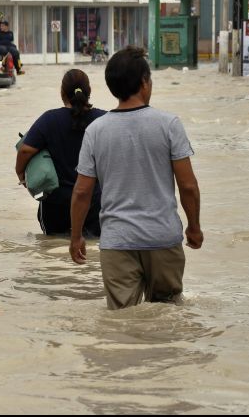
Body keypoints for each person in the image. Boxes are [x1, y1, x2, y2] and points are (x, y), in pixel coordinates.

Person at [69, 46, 203, 310]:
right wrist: (194, 227)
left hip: (117, 241)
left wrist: (76, 237)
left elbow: (82, 192)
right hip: (162, 238)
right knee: (167, 314)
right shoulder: (168, 124)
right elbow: (188, 185)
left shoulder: (96, 131)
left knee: (122, 320)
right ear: (144, 82)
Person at [16, 69, 105, 235]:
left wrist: (20, 174)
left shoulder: (49, 119)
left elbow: (25, 151)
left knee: (53, 250)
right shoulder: (103, 119)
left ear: (62, 92)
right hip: (94, 201)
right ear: (89, 91)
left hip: (57, 202)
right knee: (93, 251)